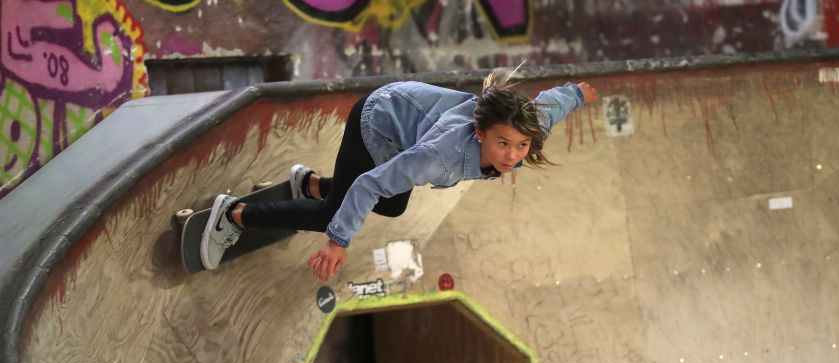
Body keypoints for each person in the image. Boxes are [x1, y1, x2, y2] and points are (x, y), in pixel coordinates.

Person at [201, 67, 598, 281]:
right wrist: (338, 242)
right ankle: (234, 214)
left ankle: (311, 184)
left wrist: (577, 94)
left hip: (404, 118)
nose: (512, 156)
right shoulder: (437, 158)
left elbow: (547, 107)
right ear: (480, 134)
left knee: (392, 207)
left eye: (521, 146)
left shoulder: (525, 128)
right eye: (502, 145)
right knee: (331, 217)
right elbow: (368, 183)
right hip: (377, 122)